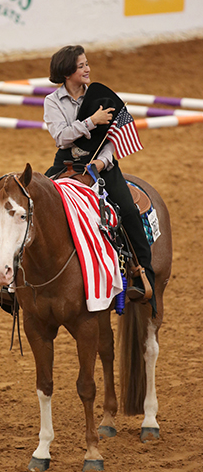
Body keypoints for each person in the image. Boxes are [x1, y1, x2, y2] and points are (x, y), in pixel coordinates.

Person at [43, 44, 156, 307]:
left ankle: (143, 275)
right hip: (68, 163)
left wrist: (103, 164)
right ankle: (15, 286)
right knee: (37, 206)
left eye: (86, 64)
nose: (87, 69)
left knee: (127, 210)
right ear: (67, 71)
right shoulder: (52, 102)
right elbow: (61, 138)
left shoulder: (101, 95)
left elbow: (112, 138)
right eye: (82, 65)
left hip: (102, 166)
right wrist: (91, 120)